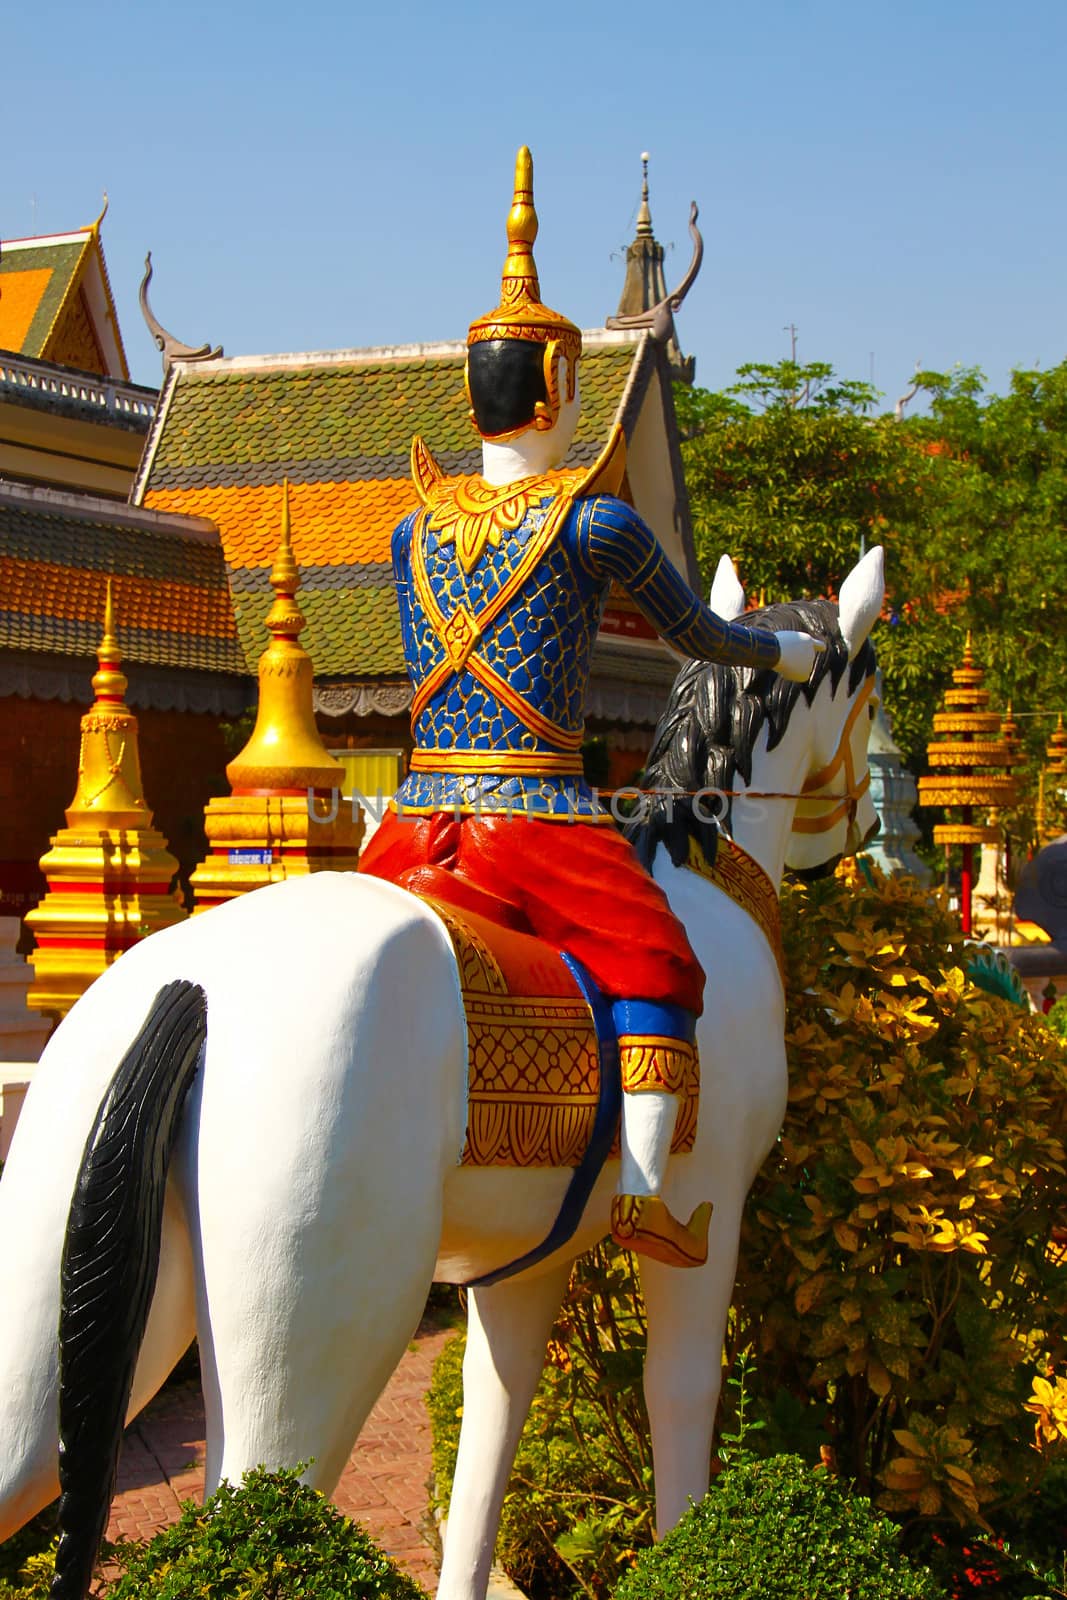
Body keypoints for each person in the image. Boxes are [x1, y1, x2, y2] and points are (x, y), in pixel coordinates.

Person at [359, 148, 821, 1268]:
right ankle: (653, 1196)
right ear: (559, 387)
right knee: (657, 957)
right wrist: (785, 657)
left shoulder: (410, 529)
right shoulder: (590, 523)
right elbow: (697, 638)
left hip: (410, 823)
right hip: (533, 823)